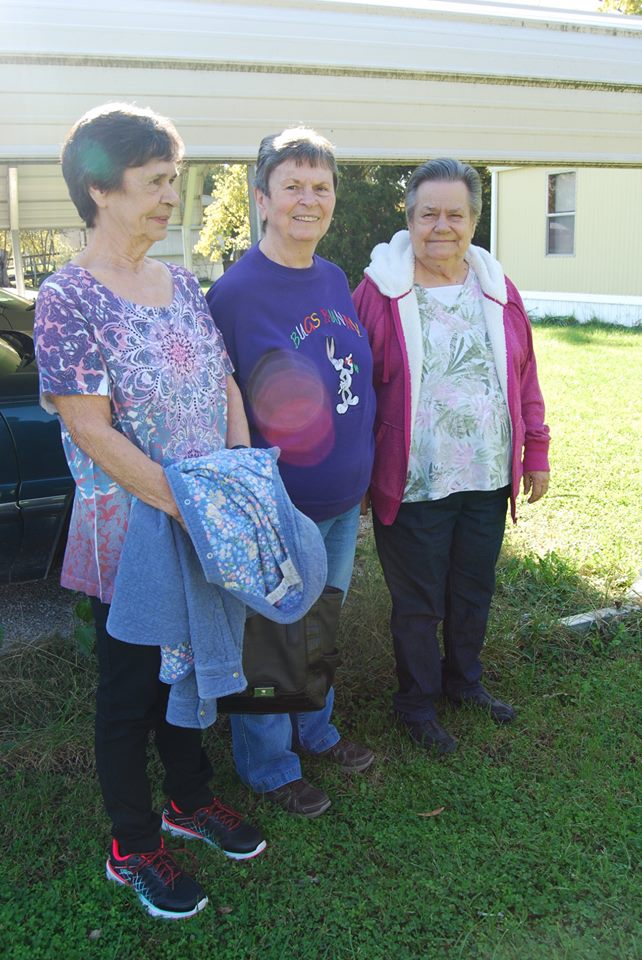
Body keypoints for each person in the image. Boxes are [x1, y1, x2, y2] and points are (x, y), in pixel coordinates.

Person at [33, 103, 265, 921]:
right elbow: (89, 428)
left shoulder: (183, 282)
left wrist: (238, 480)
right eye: (157, 181)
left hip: (203, 519)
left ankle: (189, 801)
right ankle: (132, 845)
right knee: (129, 693)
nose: (174, 196)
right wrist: (189, 504)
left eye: (175, 179)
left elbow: (227, 383)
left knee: (196, 668)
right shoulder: (66, 298)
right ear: (101, 188)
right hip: (130, 537)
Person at [353, 158, 550, 755]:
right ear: (409, 218)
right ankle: (415, 702)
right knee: (419, 604)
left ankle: (465, 682)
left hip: (488, 475)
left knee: (472, 589)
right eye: (429, 213)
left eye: (456, 213)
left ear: (474, 220)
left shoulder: (496, 287)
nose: (443, 225)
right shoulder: (379, 291)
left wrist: (534, 449)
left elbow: (525, 374)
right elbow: (355, 388)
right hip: (415, 479)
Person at [207, 127, 376, 817]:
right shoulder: (236, 294)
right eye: (292, 186)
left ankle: (317, 729)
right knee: (272, 638)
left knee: (321, 624)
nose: (309, 199)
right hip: (278, 506)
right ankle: (269, 764)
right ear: (262, 198)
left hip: (341, 499)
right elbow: (220, 403)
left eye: (320, 186)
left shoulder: (333, 277)